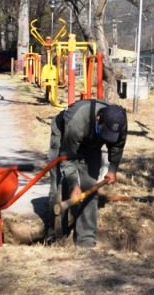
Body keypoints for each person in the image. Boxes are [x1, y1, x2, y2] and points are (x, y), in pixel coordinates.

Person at [48, 99, 128, 248]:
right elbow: (67, 158)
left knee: (90, 184)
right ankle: (56, 234)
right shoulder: (77, 121)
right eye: (105, 132)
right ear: (98, 118)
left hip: (92, 143)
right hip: (65, 135)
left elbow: (117, 146)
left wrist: (112, 169)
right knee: (59, 183)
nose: (108, 137)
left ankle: (85, 240)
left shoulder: (120, 121)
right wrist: (74, 185)